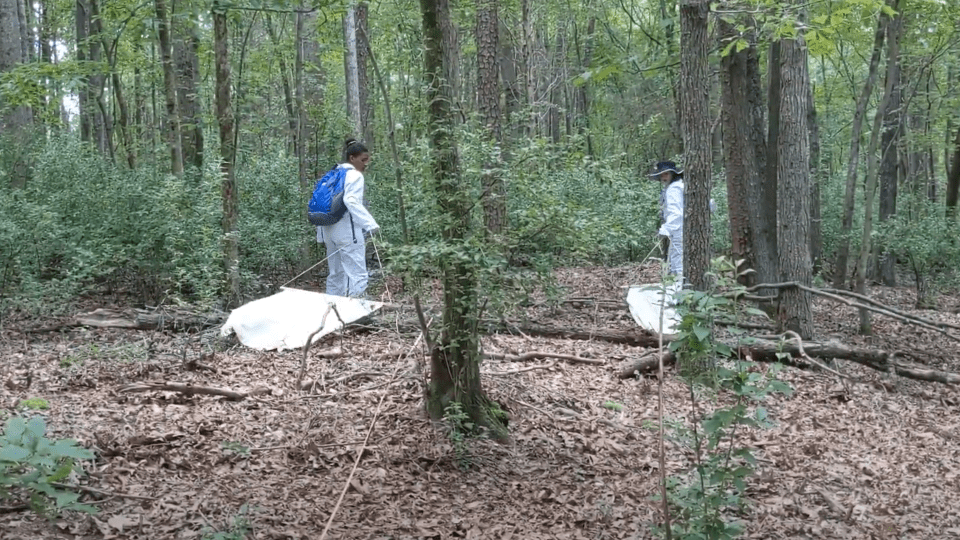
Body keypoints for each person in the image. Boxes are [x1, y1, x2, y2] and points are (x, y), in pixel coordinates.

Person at [316, 138, 380, 298]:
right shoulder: (354, 175)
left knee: (336, 274)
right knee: (357, 273)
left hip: (328, 231)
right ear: (352, 158)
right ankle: (357, 314)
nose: (366, 164)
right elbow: (350, 200)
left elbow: (320, 202)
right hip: (348, 232)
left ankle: (331, 311)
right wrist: (370, 224)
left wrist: (321, 235)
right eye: (363, 160)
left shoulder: (331, 174)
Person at [650, 160, 684, 278]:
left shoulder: (674, 189)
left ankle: (680, 289)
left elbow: (676, 213)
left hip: (679, 229)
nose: (663, 177)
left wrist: (666, 229)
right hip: (679, 228)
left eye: (666, 174)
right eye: (661, 174)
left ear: (673, 174)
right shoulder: (677, 186)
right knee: (675, 258)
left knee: (678, 260)